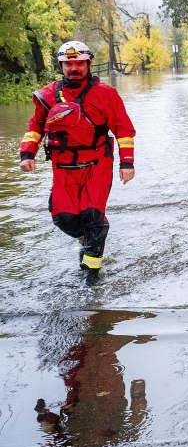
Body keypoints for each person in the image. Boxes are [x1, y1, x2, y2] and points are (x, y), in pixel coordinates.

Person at [19, 41, 135, 283]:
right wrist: (27, 154)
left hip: (97, 164)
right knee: (64, 219)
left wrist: (127, 163)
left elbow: (123, 130)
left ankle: (91, 276)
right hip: (63, 167)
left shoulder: (106, 94)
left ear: (88, 64)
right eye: (69, 64)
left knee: (92, 216)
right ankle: (92, 238)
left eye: (79, 63)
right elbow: (35, 127)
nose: (74, 68)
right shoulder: (47, 95)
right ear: (61, 65)